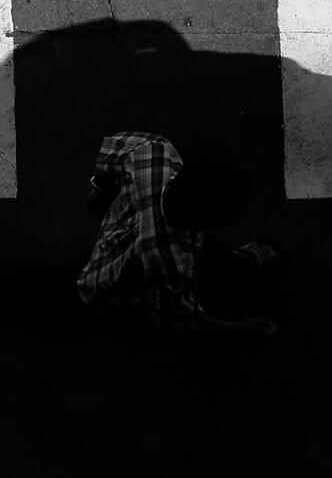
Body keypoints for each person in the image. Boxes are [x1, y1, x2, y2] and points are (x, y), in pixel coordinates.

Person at [77, 131, 284, 337]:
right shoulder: (171, 260)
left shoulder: (157, 153)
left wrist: (99, 189)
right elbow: (183, 321)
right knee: (213, 270)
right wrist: (244, 328)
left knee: (204, 253)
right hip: (111, 281)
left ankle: (241, 262)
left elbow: (115, 149)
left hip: (118, 235)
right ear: (205, 223)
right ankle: (244, 262)